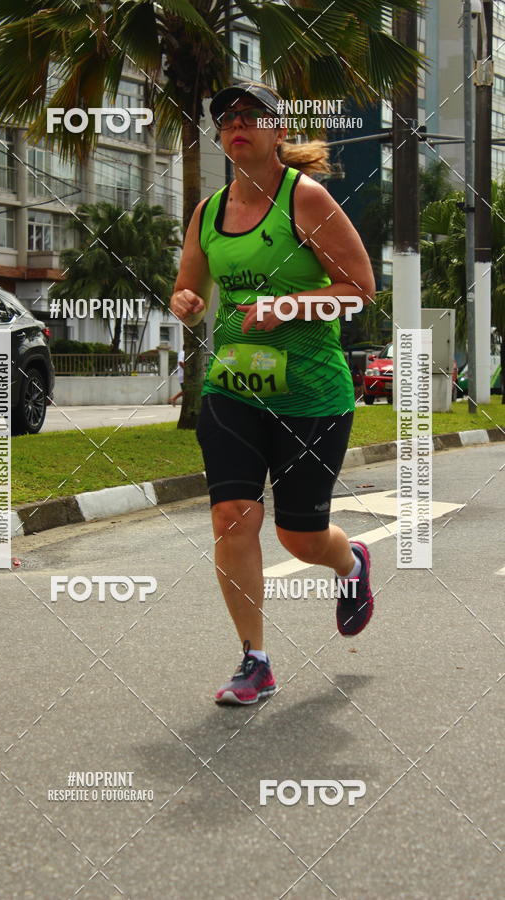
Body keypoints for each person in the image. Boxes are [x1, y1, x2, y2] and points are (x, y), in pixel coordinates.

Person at [169, 83, 376, 705]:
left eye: (252, 116)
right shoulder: (208, 213)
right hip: (234, 388)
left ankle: (350, 563)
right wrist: (186, 303)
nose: (238, 125)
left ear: (276, 130)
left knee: (299, 539)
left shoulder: (305, 199)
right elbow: (188, 291)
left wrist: (286, 304)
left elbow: (360, 288)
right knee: (232, 516)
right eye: (227, 117)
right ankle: (254, 660)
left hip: (311, 394)